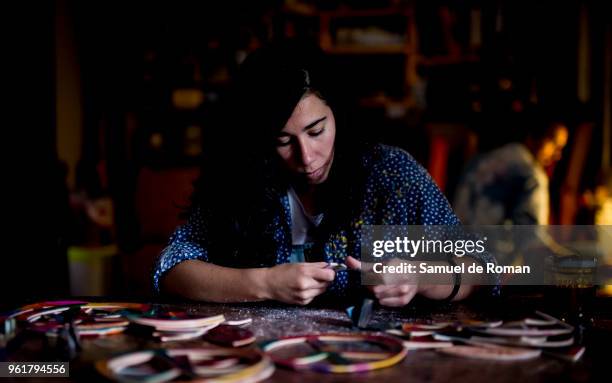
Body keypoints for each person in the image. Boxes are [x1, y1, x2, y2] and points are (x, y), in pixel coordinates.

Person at [153, 40, 490, 306]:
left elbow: (488, 267)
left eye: (316, 131)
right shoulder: (243, 178)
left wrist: (420, 276)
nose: (306, 157)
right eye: (283, 141)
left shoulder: (390, 174)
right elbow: (172, 268)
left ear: (337, 113)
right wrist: (265, 283)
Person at [453, 108, 569, 225]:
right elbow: (531, 237)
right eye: (554, 144)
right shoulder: (531, 176)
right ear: (533, 136)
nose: (557, 155)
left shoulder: (475, 163)